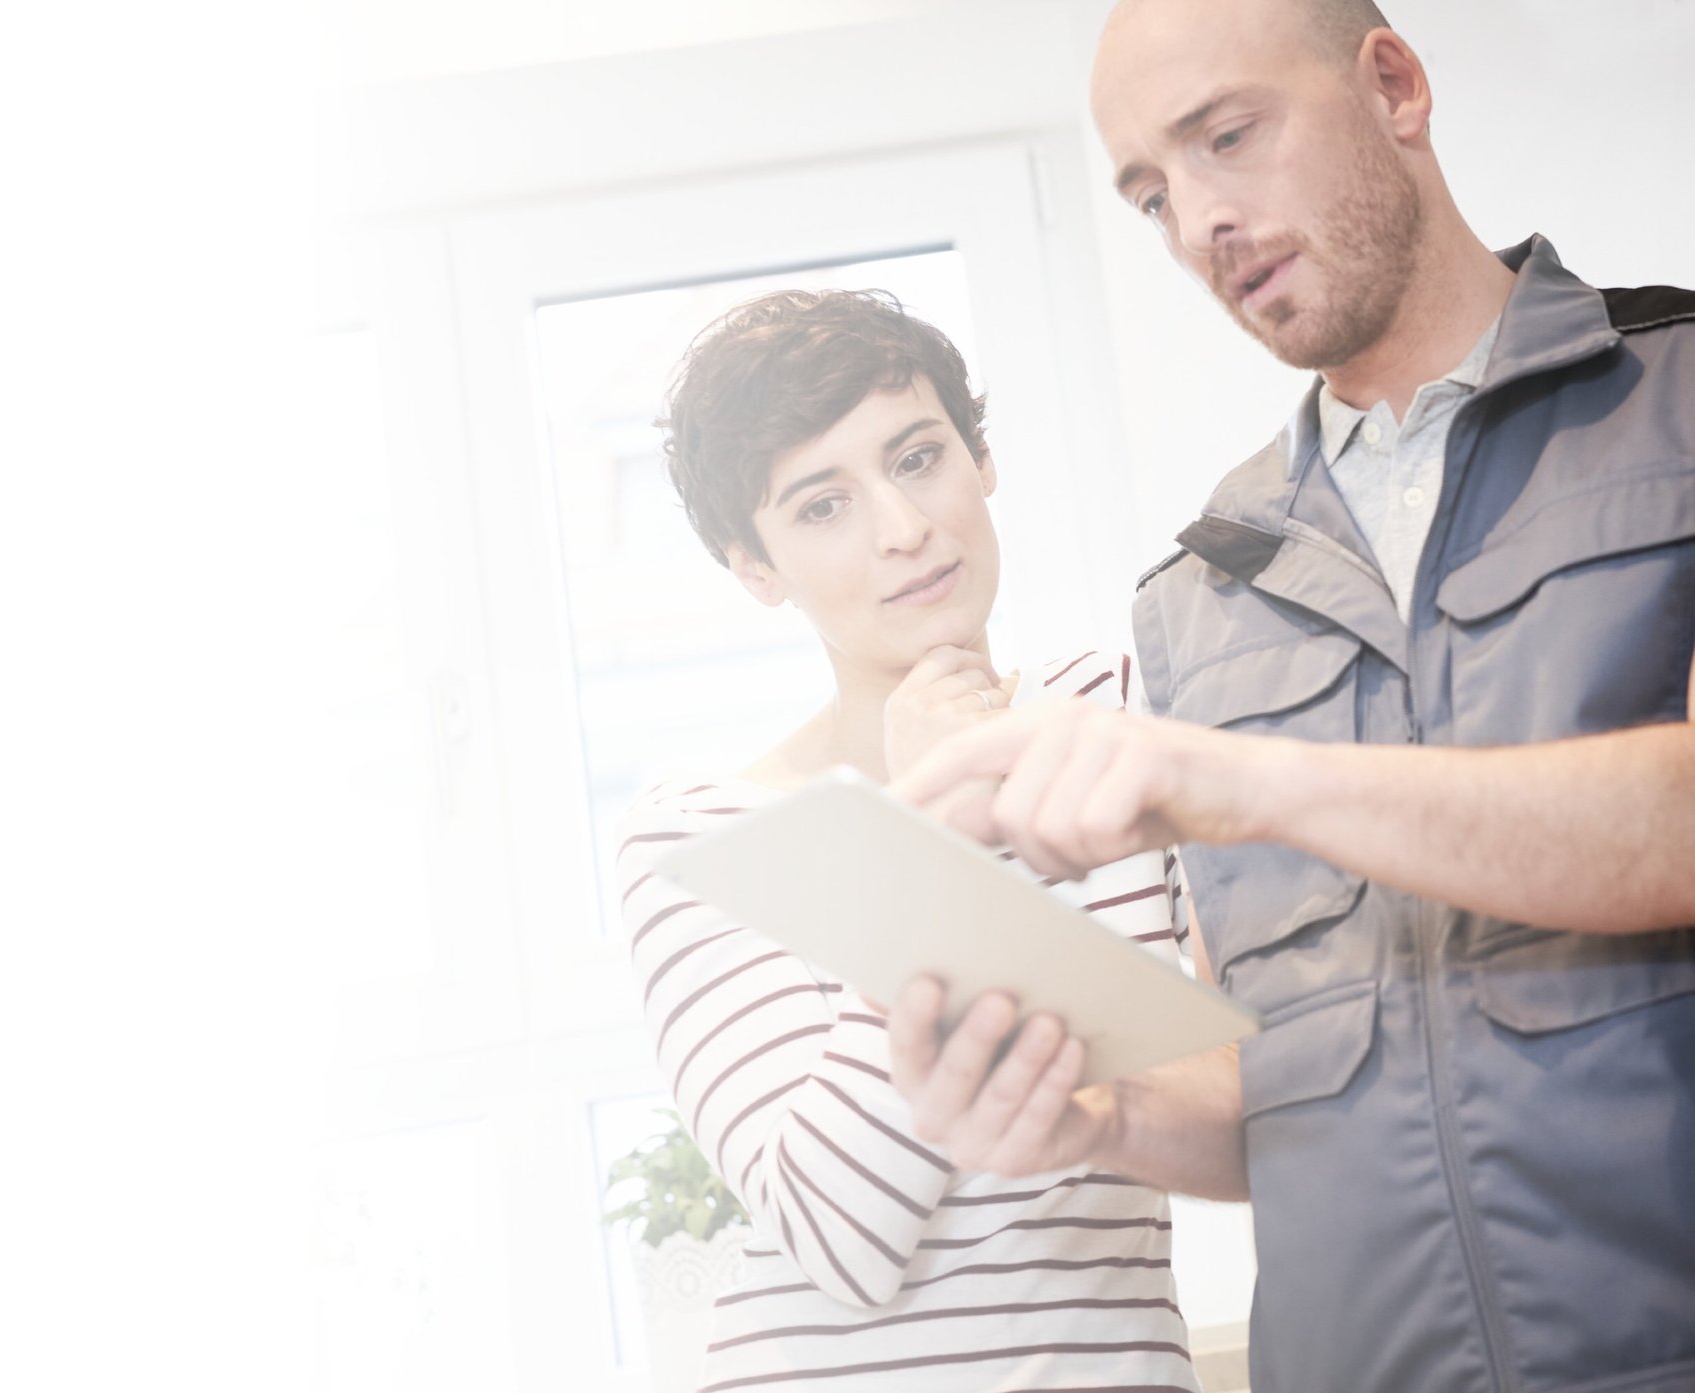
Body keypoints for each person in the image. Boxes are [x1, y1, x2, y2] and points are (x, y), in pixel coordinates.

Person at [882, 3, 1695, 1391]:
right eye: (1151, 195)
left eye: (1227, 137)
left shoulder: (1677, 401)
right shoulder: (1198, 598)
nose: (1200, 223)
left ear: (1394, 85)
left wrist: (1240, 777)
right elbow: (1271, 1086)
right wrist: (1096, 1112)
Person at [616, 289, 1204, 1392]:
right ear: (756, 567)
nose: (902, 528)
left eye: (919, 457)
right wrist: (935, 827)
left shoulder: (1122, 717)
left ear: (981, 459)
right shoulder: (703, 833)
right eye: (822, 505)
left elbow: (1269, 1089)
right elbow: (841, 1238)